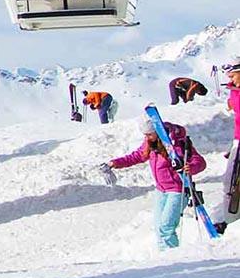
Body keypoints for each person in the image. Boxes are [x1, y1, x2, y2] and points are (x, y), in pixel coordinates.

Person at [103, 117, 206, 249]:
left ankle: (172, 256)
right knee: (159, 228)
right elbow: (136, 156)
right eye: (145, 135)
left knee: (166, 227)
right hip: (161, 191)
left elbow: (199, 162)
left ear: (158, 132)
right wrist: (114, 163)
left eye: (149, 134)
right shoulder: (150, 144)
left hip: (178, 190)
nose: (147, 138)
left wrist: (191, 167)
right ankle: (165, 254)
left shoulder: (177, 144)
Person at [208, 63, 240, 234]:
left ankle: (232, 221)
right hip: (237, 140)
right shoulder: (235, 90)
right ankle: (231, 220)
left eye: (233, 75)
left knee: (232, 181)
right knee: (231, 181)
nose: (230, 79)